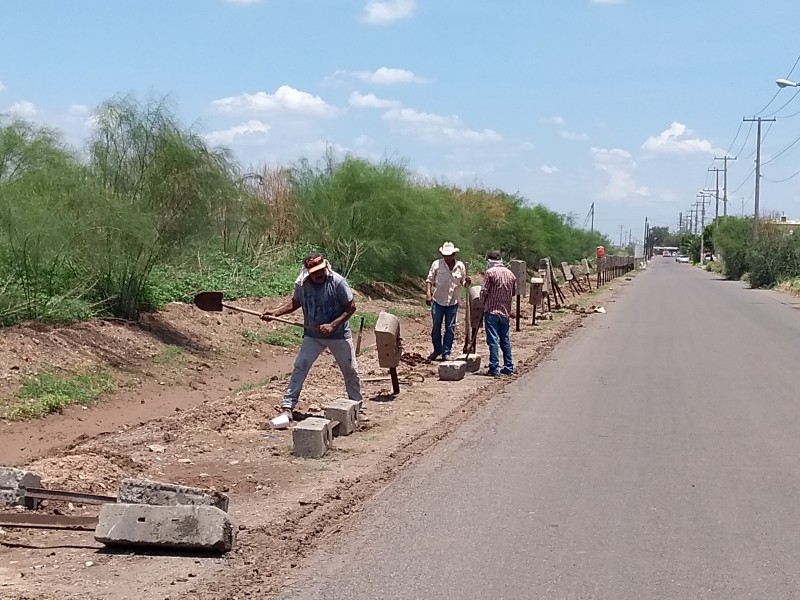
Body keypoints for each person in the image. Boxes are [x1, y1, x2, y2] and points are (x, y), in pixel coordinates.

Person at [261, 253, 363, 419]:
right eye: (315, 272)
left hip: (339, 334)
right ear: (308, 271)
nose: (319, 274)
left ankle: (357, 407)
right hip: (313, 335)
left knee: (350, 370)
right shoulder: (302, 284)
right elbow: (296, 302)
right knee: (300, 366)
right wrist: (275, 313)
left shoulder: (337, 282)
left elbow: (351, 307)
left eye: (321, 270)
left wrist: (332, 325)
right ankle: (288, 406)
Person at [425, 241, 470, 361]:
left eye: (449, 255)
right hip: (438, 300)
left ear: (454, 255)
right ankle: (437, 350)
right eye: (445, 255)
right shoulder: (436, 264)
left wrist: (467, 282)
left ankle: (446, 352)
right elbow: (429, 280)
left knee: (450, 327)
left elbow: (463, 283)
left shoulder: (460, 266)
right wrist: (428, 294)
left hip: (453, 302)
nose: (447, 257)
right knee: (436, 326)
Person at [479, 249, 517, 377]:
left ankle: (494, 368)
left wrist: (482, 303)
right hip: (505, 312)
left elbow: (484, 291)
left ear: (489, 261)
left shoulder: (490, 273)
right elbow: (514, 292)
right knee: (505, 340)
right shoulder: (511, 274)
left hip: (491, 312)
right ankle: (508, 367)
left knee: (493, 340)